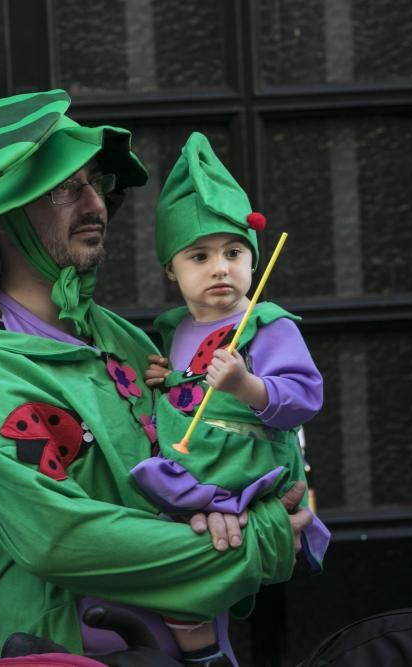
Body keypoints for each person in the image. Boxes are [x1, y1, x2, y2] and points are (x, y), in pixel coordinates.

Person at [0, 90, 311, 665]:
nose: (95, 204)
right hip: (63, 652)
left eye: (96, 183)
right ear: (3, 217)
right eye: (66, 189)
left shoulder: (126, 339)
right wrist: (261, 541)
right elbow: (57, 537)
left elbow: (200, 457)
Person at [131, 132, 329, 650]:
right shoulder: (174, 331)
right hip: (191, 481)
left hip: (247, 477)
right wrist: (165, 381)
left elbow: (305, 397)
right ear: (171, 271)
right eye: (198, 255)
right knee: (177, 583)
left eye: (233, 251)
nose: (220, 266)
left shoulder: (268, 325)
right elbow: (188, 391)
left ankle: (207, 652)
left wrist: (246, 384)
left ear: (253, 260)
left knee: (198, 593)